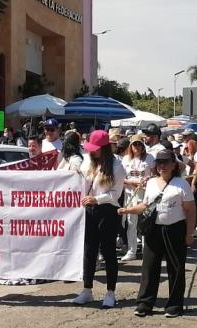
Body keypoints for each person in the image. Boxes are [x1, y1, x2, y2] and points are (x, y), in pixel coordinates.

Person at [118, 149, 195, 318]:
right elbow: (145, 206)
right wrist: (128, 210)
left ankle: (175, 304)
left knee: (176, 268)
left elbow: (190, 211)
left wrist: (189, 234)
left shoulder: (182, 184)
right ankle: (145, 304)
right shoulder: (151, 183)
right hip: (154, 230)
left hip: (175, 229)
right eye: (159, 162)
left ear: (174, 165)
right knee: (149, 267)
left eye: (166, 162)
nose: (162, 166)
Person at [73, 130, 126, 309]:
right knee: (89, 250)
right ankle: (87, 289)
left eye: (95, 149)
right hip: (89, 210)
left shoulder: (117, 167)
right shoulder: (88, 162)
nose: (91, 152)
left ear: (104, 148)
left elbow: (115, 194)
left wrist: (97, 199)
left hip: (108, 211)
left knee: (108, 250)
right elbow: (80, 182)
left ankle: (110, 292)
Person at [121, 135, 155, 261]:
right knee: (131, 223)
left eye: (139, 144)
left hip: (146, 194)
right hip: (131, 194)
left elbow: (155, 174)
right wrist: (130, 182)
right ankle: (131, 250)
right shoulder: (126, 159)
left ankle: (148, 249)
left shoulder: (149, 158)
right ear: (131, 146)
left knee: (146, 222)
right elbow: (120, 178)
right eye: (135, 144)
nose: (137, 147)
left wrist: (148, 179)